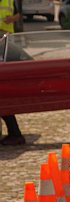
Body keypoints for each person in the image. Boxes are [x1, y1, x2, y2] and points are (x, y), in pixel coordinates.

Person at [1, 0, 24, 146]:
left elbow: (19, 15)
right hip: (4, 40)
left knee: (3, 96)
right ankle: (14, 133)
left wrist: (11, 19)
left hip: (6, 40)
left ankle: (15, 133)